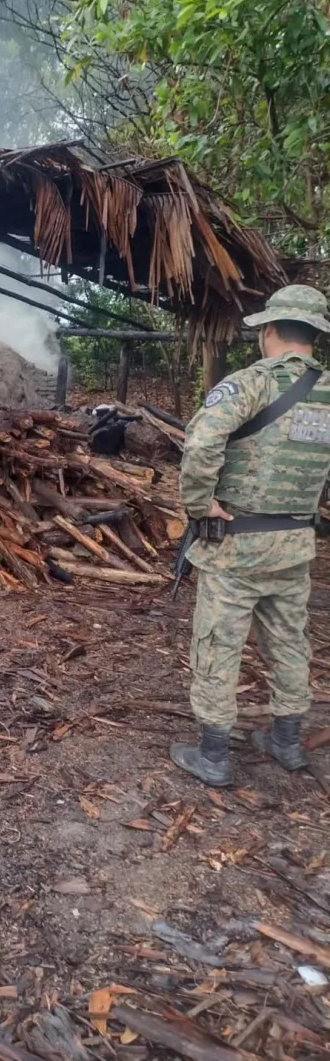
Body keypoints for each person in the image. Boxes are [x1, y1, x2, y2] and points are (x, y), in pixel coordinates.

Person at [171, 284, 330, 787]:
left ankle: (214, 755)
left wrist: (200, 504)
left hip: (236, 542)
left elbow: (201, 442)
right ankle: (286, 741)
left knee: (219, 642)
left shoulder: (253, 384)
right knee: (289, 641)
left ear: (271, 331)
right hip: (294, 545)